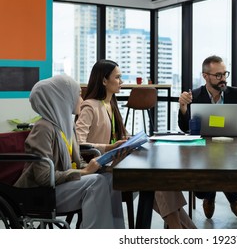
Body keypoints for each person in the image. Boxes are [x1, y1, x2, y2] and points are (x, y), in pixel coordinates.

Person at [76, 59, 196, 229]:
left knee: (161, 182)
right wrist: (109, 148)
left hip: (116, 163)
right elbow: (79, 143)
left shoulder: (111, 104)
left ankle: (185, 232)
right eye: (117, 77)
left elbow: (122, 135)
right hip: (100, 167)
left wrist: (134, 139)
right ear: (104, 80)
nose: (121, 82)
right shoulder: (90, 106)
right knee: (159, 182)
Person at [14, 75, 125, 229]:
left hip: (61, 186)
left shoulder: (67, 125)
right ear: (62, 98)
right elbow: (44, 177)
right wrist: (85, 172)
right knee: (97, 182)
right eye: (78, 94)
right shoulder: (43, 128)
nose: (81, 99)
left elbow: (77, 163)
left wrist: (103, 166)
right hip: (42, 193)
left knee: (111, 179)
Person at [178, 55, 237, 220]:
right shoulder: (195, 96)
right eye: (218, 75)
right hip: (204, 150)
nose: (223, 79)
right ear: (205, 76)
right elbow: (185, 127)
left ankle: (233, 197)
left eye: (225, 74)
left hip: (233, 148)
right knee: (203, 168)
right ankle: (209, 196)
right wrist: (183, 107)